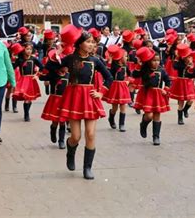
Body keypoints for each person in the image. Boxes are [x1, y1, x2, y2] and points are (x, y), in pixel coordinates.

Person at [59, 29, 113, 180]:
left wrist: (101, 92)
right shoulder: (70, 58)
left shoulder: (95, 60)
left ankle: (87, 168)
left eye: (93, 42)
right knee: (75, 136)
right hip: (74, 98)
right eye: (88, 42)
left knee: (90, 134)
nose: (91, 45)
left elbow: (109, 78)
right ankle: (71, 152)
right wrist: (58, 53)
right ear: (79, 43)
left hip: (89, 98)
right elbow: (52, 69)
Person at [133, 47, 171, 146]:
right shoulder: (145, 69)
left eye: (158, 60)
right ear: (149, 61)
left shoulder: (162, 70)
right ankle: (144, 124)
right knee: (149, 115)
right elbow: (135, 75)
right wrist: (139, 64)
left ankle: (156, 136)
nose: (156, 62)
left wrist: (166, 89)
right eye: (154, 60)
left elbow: (168, 81)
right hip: (147, 93)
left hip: (158, 94)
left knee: (157, 115)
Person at [40, 48, 70, 149]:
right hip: (55, 100)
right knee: (55, 121)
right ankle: (53, 130)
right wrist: (55, 56)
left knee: (62, 121)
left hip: (65, 101)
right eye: (65, 66)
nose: (66, 68)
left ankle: (61, 140)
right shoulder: (53, 74)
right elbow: (44, 73)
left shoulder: (70, 75)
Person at [12, 42, 43, 122]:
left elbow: (42, 67)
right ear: (23, 49)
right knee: (26, 98)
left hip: (31, 80)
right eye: (27, 49)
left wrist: (37, 75)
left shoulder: (34, 59)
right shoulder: (20, 60)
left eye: (30, 49)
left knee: (29, 98)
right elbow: (13, 67)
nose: (29, 51)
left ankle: (27, 112)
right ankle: (26, 115)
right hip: (23, 80)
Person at [103, 48, 131, 132]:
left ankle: (121, 124)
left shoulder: (126, 66)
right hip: (115, 87)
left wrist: (128, 81)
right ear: (120, 57)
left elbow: (130, 74)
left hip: (123, 87)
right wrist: (110, 62)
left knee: (123, 106)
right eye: (125, 56)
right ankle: (111, 118)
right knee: (114, 107)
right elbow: (108, 74)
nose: (127, 58)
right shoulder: (114, 66)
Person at [169, 43, 195, 125]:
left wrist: (191, 65)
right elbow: (175, 66)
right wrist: (178, 57)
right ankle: (180, 118)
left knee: (190, 100)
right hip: (180, 82)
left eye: (189, 56)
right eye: (186, 56)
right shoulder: (179, 63)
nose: (188, 57)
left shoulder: (192, 61)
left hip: (189, 82)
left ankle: (185, 110)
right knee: (181, 101)